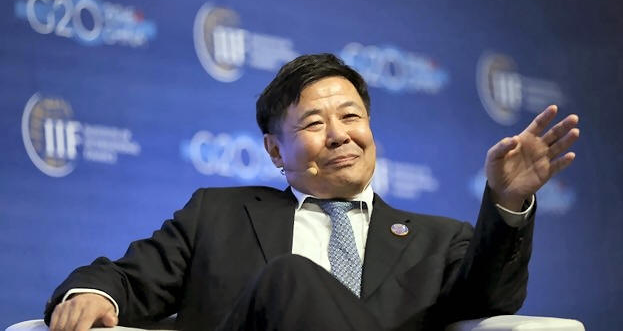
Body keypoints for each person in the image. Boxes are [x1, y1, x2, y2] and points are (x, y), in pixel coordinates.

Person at [45, 53, 580, 331]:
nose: (340, 135)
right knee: (291, 277)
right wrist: (90, 294)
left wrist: (507, 202)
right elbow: (124, 278)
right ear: (275, 151)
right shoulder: (218, 216)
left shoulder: (439, 242)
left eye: (352, 116)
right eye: (314, 123)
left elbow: (493, 300)